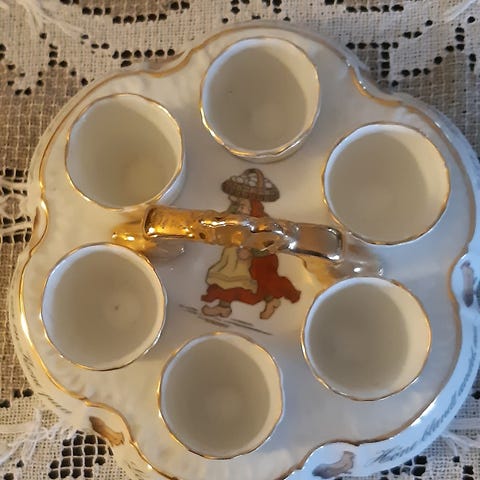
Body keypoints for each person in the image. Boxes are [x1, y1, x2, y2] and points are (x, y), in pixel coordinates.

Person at [201, 169, 300, 320]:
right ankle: (224, 307)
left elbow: (268, 242)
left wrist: (251, 252)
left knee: (254, 282)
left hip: (253, 259)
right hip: (233, 258)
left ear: (252, 208)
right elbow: (227, 217)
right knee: (226, 279)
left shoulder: (262, 222)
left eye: (243, 206)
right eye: (239, 206)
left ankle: (271, 301)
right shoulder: (239, 217)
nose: (240, 209)